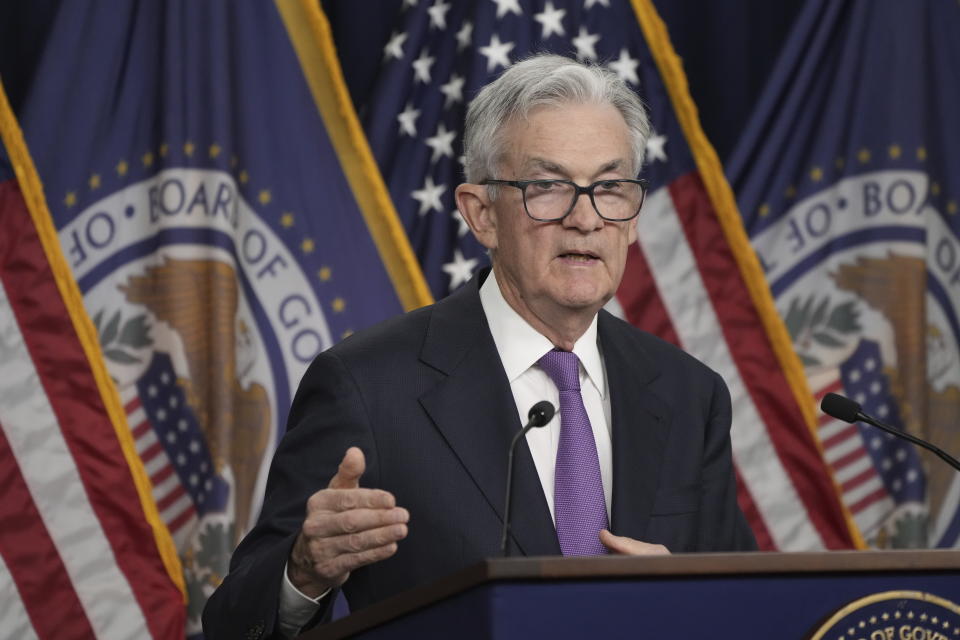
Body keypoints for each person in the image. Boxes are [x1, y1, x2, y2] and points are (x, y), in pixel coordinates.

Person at [203, 53, 756, 639]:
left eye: (610, 188)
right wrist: (303, 571)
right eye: (548, 187)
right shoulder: (368, 386)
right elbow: (233, 624)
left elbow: (751, 611)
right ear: (481, 214)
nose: (586, 219)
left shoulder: (688, 393)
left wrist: (692, 602)